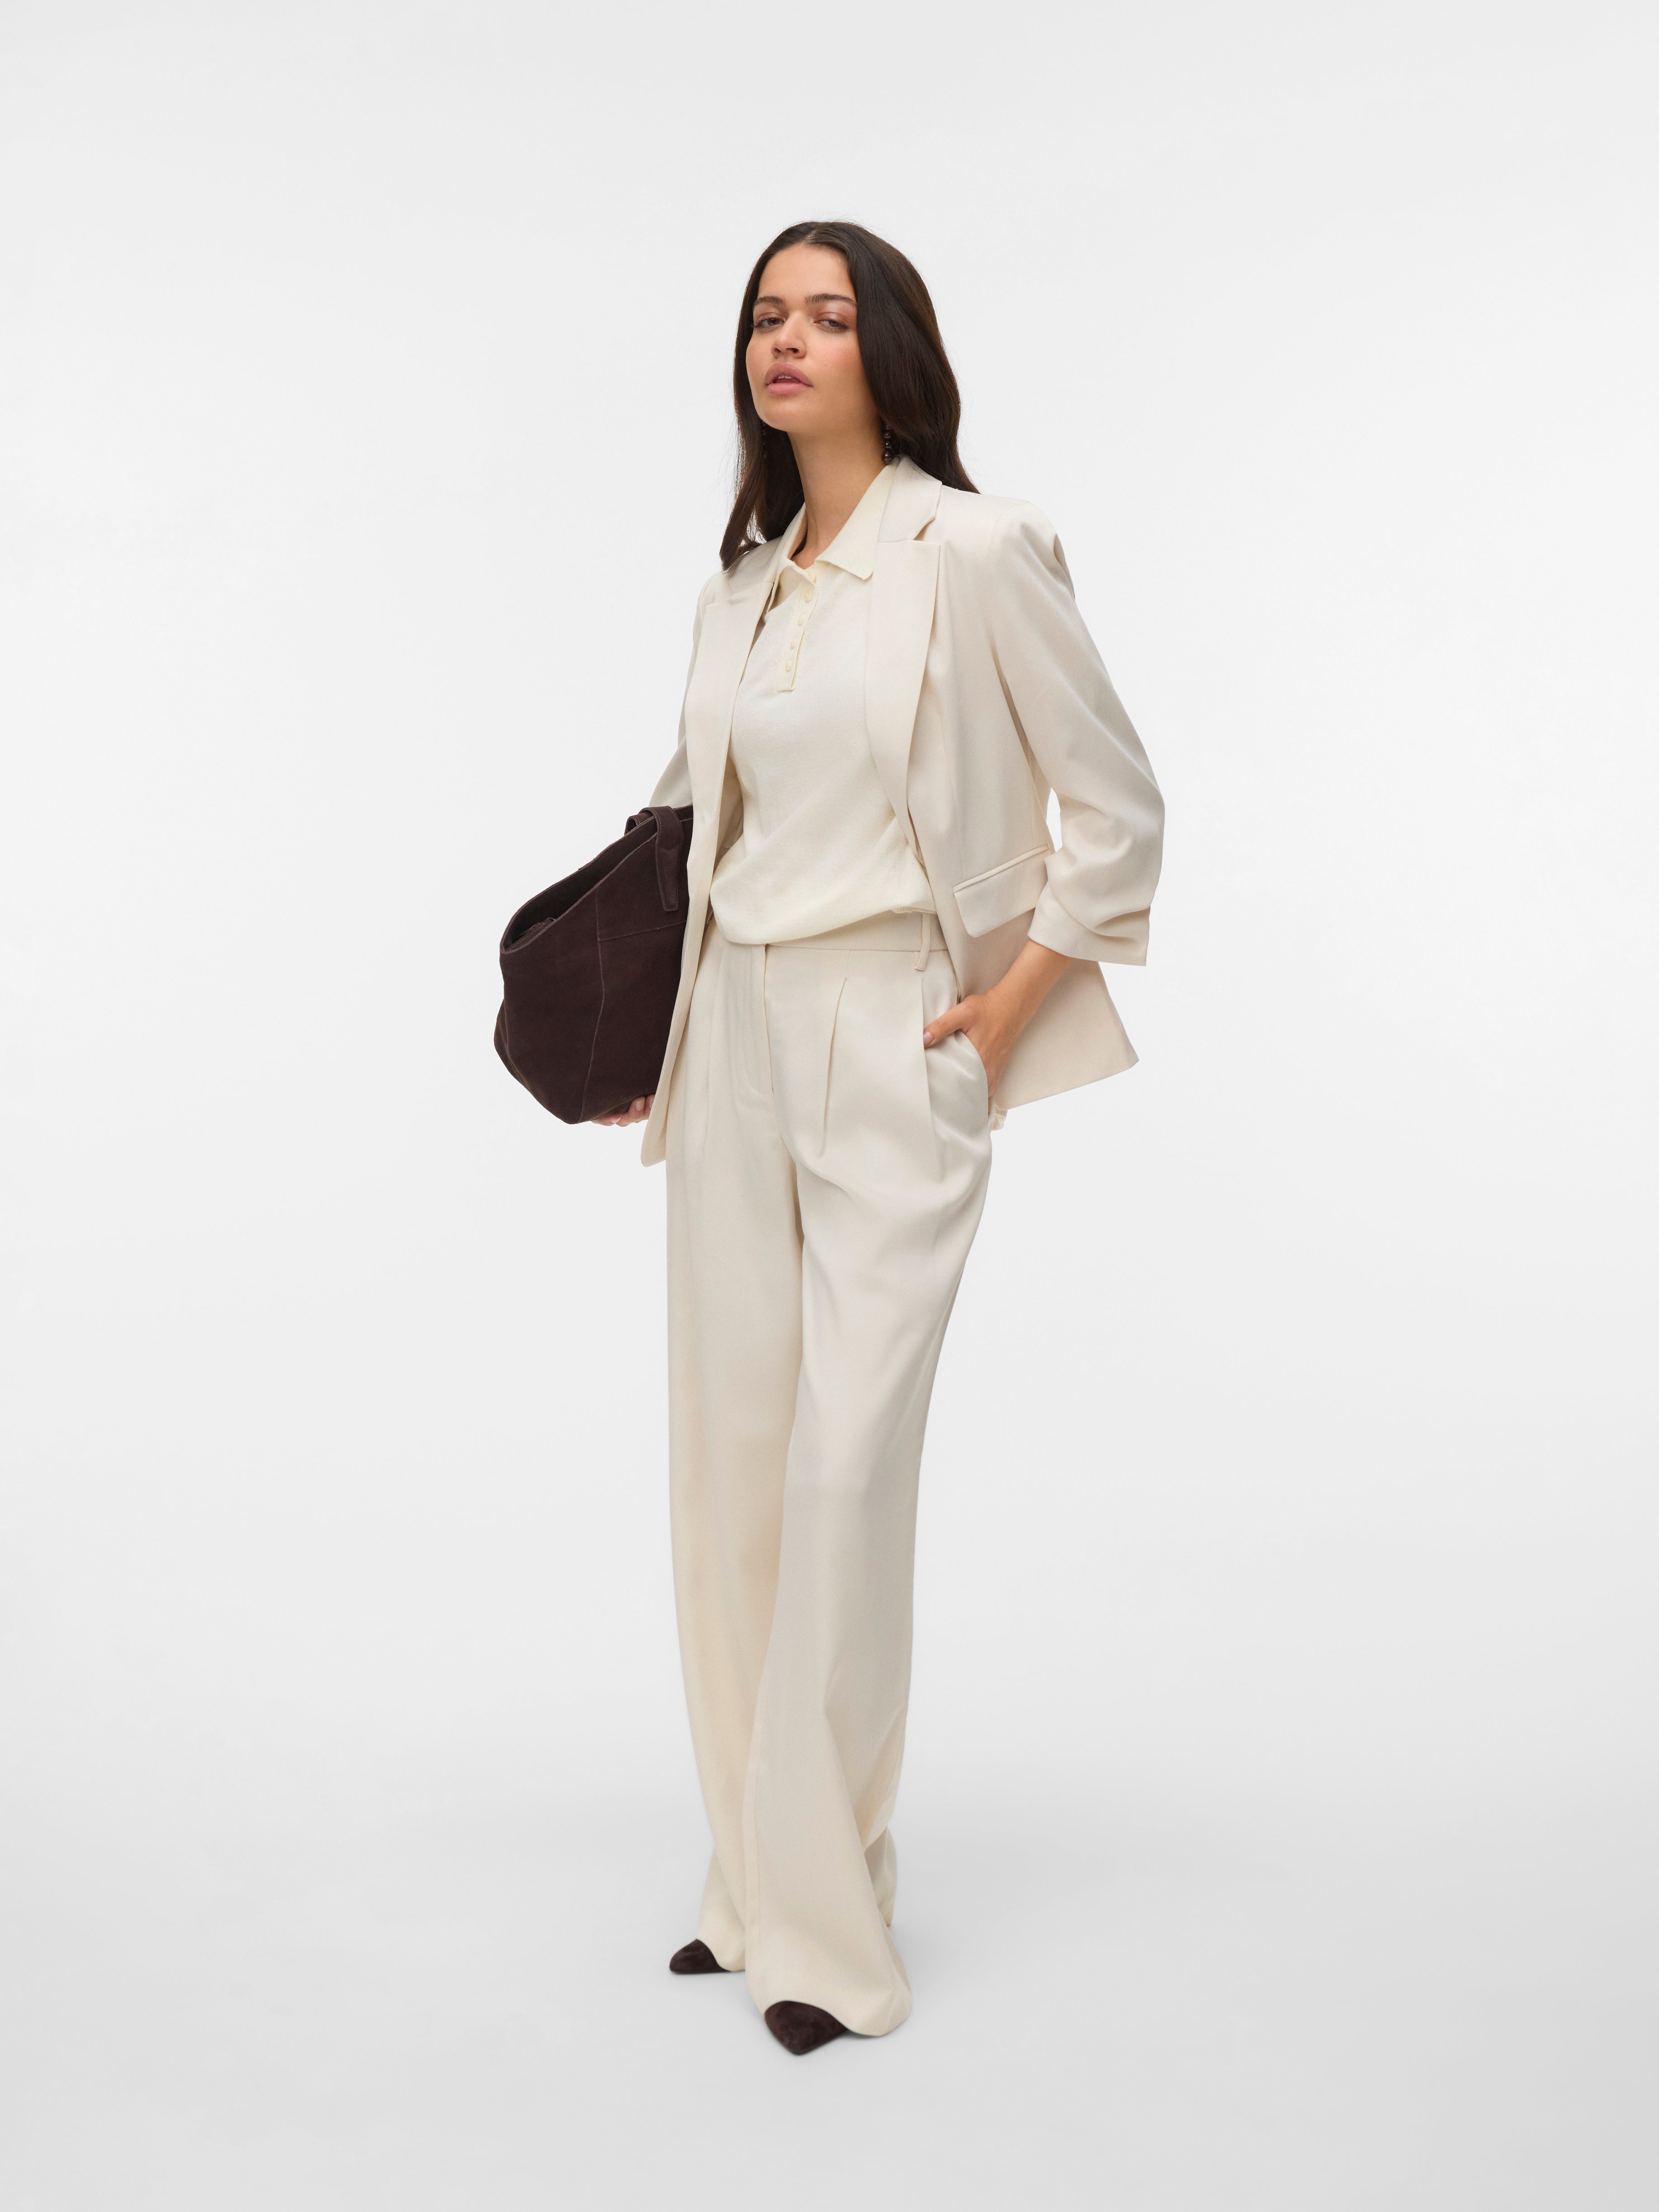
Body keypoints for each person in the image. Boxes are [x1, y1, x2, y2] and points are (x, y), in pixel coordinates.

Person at [591, 220, 1164, 2054]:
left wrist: (1004, 1008)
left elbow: (1118, 809)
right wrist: (638, 1020)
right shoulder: (743, 583)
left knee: (843, 1474)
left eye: (826, 316)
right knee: (731, 1471)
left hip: (892, 1025)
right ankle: (752, 1882)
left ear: (888, 351)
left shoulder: (973, 550)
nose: (786, 340)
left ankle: (831, 1937)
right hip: (732, 1036)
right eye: (765, 316)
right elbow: (692, 820)